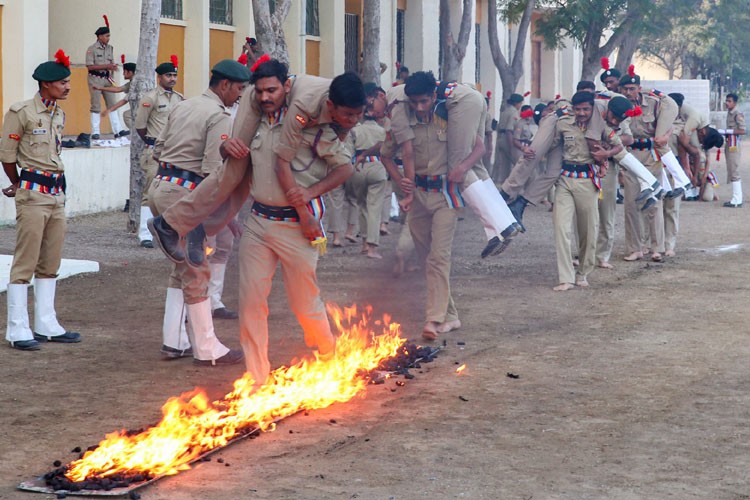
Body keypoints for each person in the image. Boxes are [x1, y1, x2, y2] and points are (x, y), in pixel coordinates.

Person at [219, 60, 362, 385]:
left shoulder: (314, 128)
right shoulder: (254, 122)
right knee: (251, 302)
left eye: (273, 90)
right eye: (261, 92)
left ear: (287, 87)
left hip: (298, 229)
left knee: (304, 304)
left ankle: (329, 360)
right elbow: (231, 154)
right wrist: (223, 144)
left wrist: (309, 196)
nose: (267, 97)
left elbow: (345, 168)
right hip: (258, 222)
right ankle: (257, 379)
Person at [149, 58, 365, 268]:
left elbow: (341, 142)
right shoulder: (301, 106)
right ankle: (167, 224)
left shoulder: (348, 103)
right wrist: (304, 211)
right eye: (348, 115)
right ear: (330, 105)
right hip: (267, 101)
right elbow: (282, 160)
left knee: (246, 182)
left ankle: (200, 228)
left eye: (357, 115)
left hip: (291, 103)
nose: (353, 119)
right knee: (235, 170)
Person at [148, 59, 250, 366]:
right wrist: (227, 216)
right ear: (224, 85)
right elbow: (212, 173)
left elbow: (157, 147)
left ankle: (174, 341)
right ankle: (207, 348)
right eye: (239, 89)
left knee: (181, 268)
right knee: (197, 268)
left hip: (161, 186)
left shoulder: (183, 105)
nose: (240, 95)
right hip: (186, 194)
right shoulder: (219, 116)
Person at [1, 50, 82, 351]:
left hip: (56, 193)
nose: (67, 87)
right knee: (25, 261)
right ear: (46, 84)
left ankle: (46, 323)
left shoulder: (58, 114)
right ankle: (17, 329)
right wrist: (16, 183)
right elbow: (7, 156)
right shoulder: (21, 112)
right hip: (33, 194)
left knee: (50, 262)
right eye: (63, 82)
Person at [381, 71, 462, 339]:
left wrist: (463, 168)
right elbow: (386, 155)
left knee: (439, 257)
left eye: (424, 101)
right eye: (414, 102)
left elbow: (478, 146)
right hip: (417, 196)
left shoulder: (450, 118)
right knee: (429, 258)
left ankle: (434, 319)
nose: (419, 107)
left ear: (434, 96)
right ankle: (450, 316)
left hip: (445, 195)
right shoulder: (403, 123)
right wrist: (401, 181)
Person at [550, 91, 624, 291]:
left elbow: (619, 145)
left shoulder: (601, 127)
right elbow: (552, 144)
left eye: (585, 109)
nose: (581, 113)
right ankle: (565, 277)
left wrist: (606, 154)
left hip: (587, 182)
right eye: (577, 109)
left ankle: (583, 272)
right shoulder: (564, 124)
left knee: (588, 231)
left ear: (592, 109)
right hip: (565, 180)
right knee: (561, 228)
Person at [618, 66, 680, 262]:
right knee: (631, 204)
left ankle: (657, 248)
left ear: (639, 88)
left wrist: (665, 136)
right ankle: (635, 248)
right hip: (630, 156)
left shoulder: (653, 103)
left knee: (654, 203)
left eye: (632, 88)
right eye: (625, 88)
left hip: (651, 156)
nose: (628, 92)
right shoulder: (619, 106)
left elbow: (667, 123)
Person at [134, 57, 184, 248]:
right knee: (149, 192)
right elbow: (140, 125)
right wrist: (151, 141)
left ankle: (167, 231)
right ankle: (145, 234)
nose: (172, 79)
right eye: (168, 75)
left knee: (171, 191)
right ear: (159, 77)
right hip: (154, 149)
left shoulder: (179, 98)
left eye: (174, 75)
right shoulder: (151, 98)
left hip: (175, 150)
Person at [346, 86, 388, 259]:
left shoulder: (354, 130)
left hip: (358, 168)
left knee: (362, 205)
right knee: (374, 208)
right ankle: (372, 247)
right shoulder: (382, 131)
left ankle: (364, 243)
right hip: (377, 167)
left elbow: (347, 153)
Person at [85, 15, 125, 139]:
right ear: (100, 36)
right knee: (96, 105)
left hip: (107, 79)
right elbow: (90, 66)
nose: (108, 38)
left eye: (109, 36)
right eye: (106, 36)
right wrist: (106, 65)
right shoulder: (92, 49)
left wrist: (112, 67)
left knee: (112, 104)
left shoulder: (110, 48)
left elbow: (110, 62)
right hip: (95, 79)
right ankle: (95, 131)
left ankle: (118, 130)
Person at [96, 56, 135, 133]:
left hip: (144, 109)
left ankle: (136, 133)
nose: (123, 74)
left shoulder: (135, 84)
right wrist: (100, 88)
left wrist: (109, 110)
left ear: (130, 72)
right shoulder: (132, 83)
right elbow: (118, 89)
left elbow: (124, 101)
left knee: (127, 115)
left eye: (124, 71)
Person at [719, 93, 745, 207]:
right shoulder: (730, 113)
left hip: (734, 144)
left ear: (735, 102)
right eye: (726, 101)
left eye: (729, 101)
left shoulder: (737, 114)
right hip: (729, 143)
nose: (727, 103)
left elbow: (743, 130)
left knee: (734, 170)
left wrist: (727, 132)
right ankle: (736, 198)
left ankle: (737, 199)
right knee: (731, 169)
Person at [493, 93, 524, 183]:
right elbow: (509, 130)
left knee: (504, 165)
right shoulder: (513, 113)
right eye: (520, 103)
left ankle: (502, 183)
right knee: (515, 164)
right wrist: (511, 146)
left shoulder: (505, 111)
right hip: (508, 139)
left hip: (500, 138)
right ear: (516, 103)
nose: (520, 105)